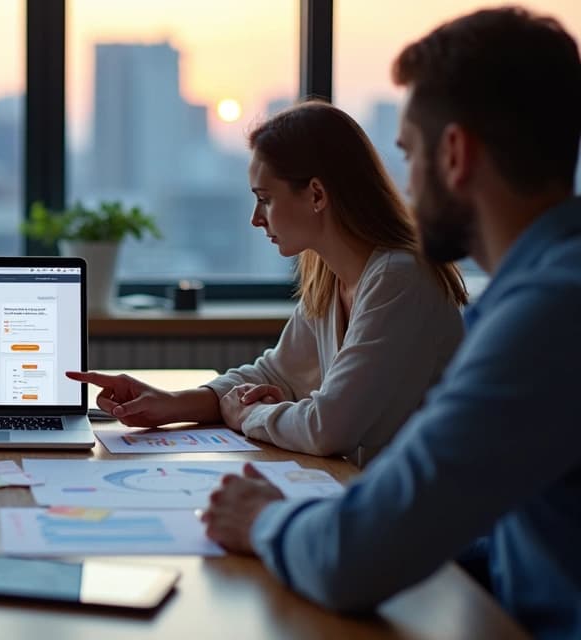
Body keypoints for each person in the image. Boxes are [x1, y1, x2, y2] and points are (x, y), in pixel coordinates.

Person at [201, 8, 581, 638]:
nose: (403, 182)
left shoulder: (547, 317)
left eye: (409, 153)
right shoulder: (543, 293)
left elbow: (358, 554)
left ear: (454, 154)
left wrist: (264, 520)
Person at [69, 101, 467, 466]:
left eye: (266, 199)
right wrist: (170, 403)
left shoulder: (399, 278)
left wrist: (248, 414)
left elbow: (325, 428)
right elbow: (276, 374)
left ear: (316, 195)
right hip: (369, 496)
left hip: (425, 526)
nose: (256, 219)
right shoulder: (331, 278)